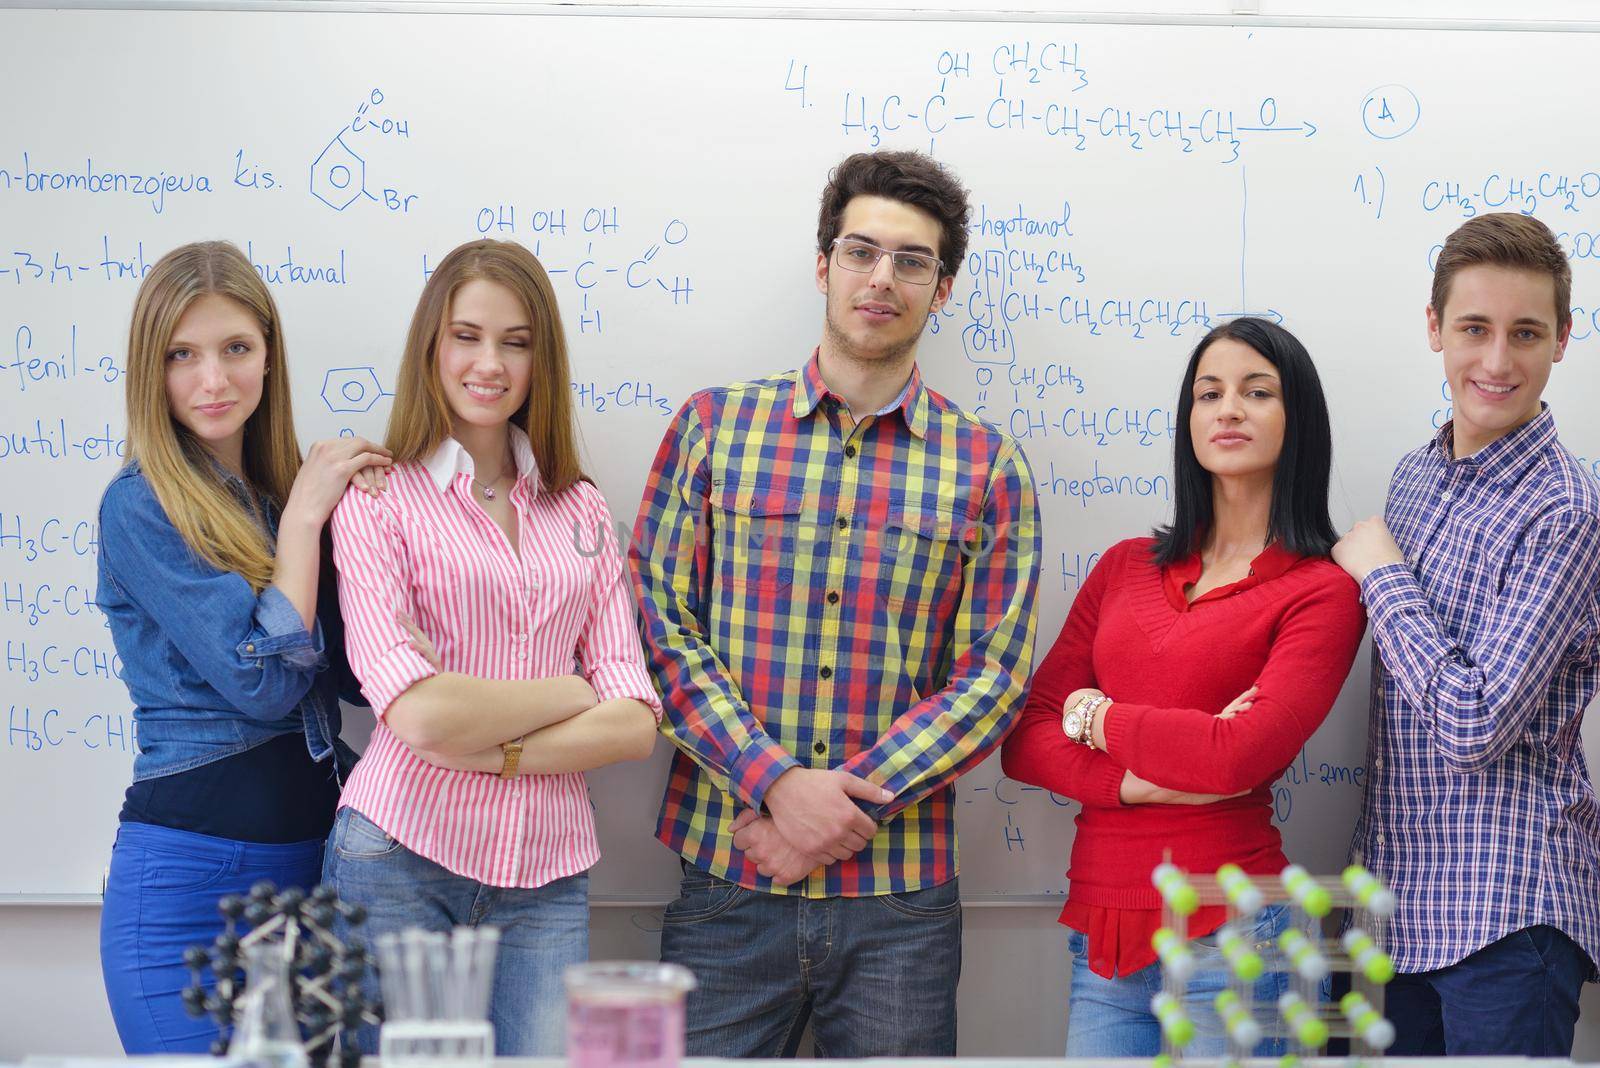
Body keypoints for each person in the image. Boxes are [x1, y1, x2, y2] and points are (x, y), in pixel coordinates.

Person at [629, 150, 1041, 1057]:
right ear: (823, 266)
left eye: (913, 260)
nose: (881, 278)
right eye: (861, 251)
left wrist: (838, 814)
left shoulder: (988, 468)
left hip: (901, 904)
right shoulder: (712, 427)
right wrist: (775, 785)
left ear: (941, 288)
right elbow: (657, 625)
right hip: (727, 873)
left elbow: (994, 679)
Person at [324, 238, 660, 1056]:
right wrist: (574, 689)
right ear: (431, 346)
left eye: (516, 342)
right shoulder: (377, 503)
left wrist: (495, 748)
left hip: (546, 874)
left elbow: (636, 725)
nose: (490, 363)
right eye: (467, 336)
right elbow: (421, 717)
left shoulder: (578, 509)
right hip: (400, 856)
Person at [1001, 317, 1365, 1057]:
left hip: (1240, 937)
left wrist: (1095, 716)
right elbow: (1024, 740)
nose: (1227, 409)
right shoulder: (1124, 566)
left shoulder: (1322, 590)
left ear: (1299, 422)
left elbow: (1238, 757)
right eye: (1209, 393)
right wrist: (1142, 782)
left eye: (1255, 392)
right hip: (1102, 940)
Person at [97, 240, 390, 1053]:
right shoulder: (140, 506)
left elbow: (367, 680)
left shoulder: (285, 493)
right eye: (181, 356)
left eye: (236, 349)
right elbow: (258, 685)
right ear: (150, 372)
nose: (212, 380)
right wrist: (305, 521)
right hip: (187, 895)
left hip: (321, 878)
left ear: (269, 356)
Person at [1333, 212, 1600, 1056]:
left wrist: (1378, 572)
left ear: (1562, 339)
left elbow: (1473, 724)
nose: (1495, 362)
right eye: (1474, 329)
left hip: (1508, 918)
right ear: (1433, 328)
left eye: (1525, 333)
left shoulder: (1568, 510)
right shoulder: (1414, 477)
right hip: (1396, 912)